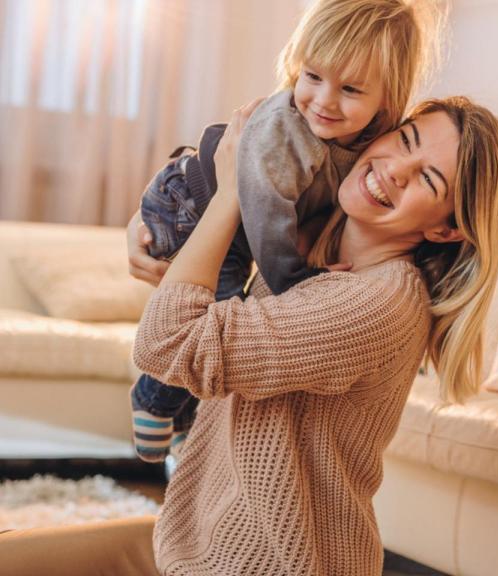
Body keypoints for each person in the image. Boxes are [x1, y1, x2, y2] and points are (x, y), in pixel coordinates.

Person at [0, 95, 498, 576]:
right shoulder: (311, 231)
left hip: (266, 560)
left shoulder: (377, 304)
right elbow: (202, 172)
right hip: (195, 537)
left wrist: (233, 192)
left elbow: (168, 343)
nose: (393, 172)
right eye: (405, 141)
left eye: (428, 180)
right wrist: (149, 222)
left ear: (445, 230)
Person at [130, 0, 438, 463]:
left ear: (388, 100)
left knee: (228, 307)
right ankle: (153, 399)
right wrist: (293, 281)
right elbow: (267, 218)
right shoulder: (290, 131)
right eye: (312, 77)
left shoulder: (370, 144)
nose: (324, 100)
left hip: (229, 216)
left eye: (351, 88)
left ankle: (182, 423)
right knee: (216, 310)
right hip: (191, 203)